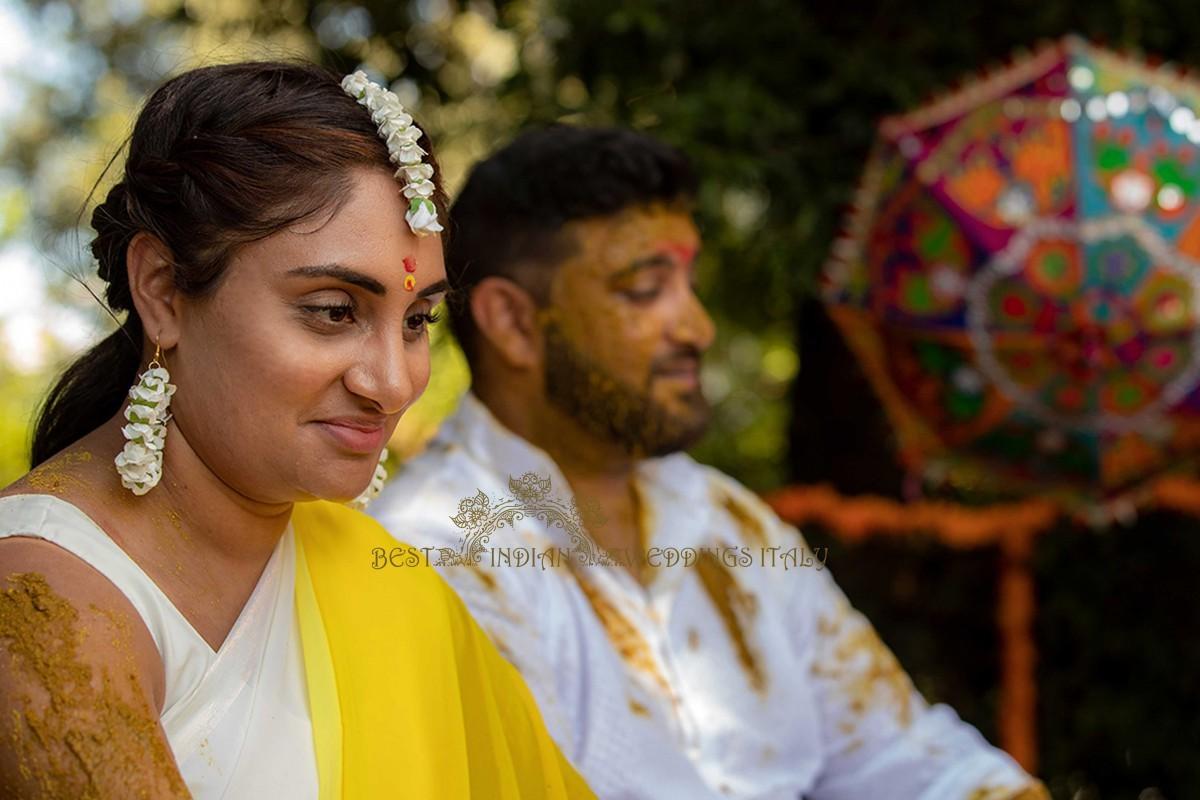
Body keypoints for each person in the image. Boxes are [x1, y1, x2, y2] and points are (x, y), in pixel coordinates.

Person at [370, 125, 1050, 799]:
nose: (697, 327)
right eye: (644, 289)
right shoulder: (438, 554)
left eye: (688, 284)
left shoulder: (726, 520)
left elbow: (909, 757)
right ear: (514, 324)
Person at [0, 62, 593, 799]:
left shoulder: (376, 575)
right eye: (334, 310)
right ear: (163, 291)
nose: (393, 383)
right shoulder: (37, 603)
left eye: (416, 321)